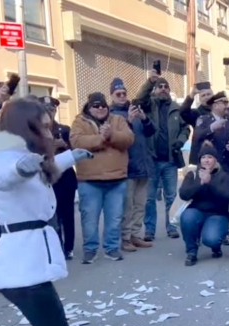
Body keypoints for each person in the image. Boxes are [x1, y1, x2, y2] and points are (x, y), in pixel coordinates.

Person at [0, 99, 93, 326]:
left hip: (26, 263)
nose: (49, 128)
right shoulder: (4, 154)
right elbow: (9, 173)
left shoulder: (21, 153)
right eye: (43, 123)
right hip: (21, 264)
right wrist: (23, 166)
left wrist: (70, 157)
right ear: (27, 126)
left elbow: (40, 170)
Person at [70, 92, 135, 263]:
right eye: (96, 106)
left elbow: (128, 139)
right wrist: (101, 138)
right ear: (89, 107)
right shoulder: (79, 121)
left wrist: (111, 135)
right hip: (89, 180)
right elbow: (77, 142)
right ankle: (90, 249)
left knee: (114, 219)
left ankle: (111, 248)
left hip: (117, 179)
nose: (100, 109)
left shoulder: (118, 120)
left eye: (103, 106)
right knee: (89, 219)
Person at [136, 68, 191, 241]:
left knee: (171, 196)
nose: (162, 89)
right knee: (149, 198)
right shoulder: (149, 105)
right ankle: (149, 230)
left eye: (165, 87)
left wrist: (181, 141)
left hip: (170, 160)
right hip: (151, 159)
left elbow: (185, 128)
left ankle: (171, 227)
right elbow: (139, 99)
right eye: (159, 87)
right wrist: (150, 81)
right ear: (155, 89)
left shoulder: (176, 109)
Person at [108, 78, 157, 253]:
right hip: (127, 167)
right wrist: (128, 120)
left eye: (124, 93)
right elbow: (116, 139)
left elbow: (151, 132)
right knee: (127, 206)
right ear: (112, 96)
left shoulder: (136, 109)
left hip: (143, 164)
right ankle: (125, 238)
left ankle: (136, 235)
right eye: (118, 94)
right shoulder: (111, 115)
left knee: (140, 205)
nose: (122, 97)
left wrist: (143, 118)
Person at [179, 143, 229, 266]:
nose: (206, 160)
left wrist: (210, 183)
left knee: (211, 239)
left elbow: (226, 196)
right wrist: (201, 184)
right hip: (196, 211)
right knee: (187, 217)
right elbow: (183, 195)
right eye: (203, 157)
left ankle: (216, 246)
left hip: (218, 214)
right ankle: (192, 251)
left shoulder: (224, 176)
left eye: (210, 157)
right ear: (200, 160)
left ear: (215, 159)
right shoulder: (192, 174)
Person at [41, 96, 77, 260]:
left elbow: (76, 150)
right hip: (46, 179)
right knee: (50, 215)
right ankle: (55, 248)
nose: (50, 112)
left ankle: (68, 247)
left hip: (65, 178)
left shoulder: (64, 129)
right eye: (46, 109)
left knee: (67, 215)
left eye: (52, 109)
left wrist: (65, 146)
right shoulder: (35, 131)